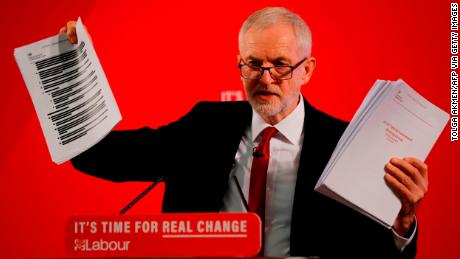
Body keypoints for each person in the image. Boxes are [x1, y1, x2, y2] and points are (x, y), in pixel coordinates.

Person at [63, 7, 428, 258]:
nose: (265, 78)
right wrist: (69, 73)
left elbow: (378, 252)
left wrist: (404, 220)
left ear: (308, 70)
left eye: (281, 65)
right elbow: (104, 156)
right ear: (239, 64)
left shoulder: (343, 144)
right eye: (254, 64)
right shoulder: (204, 126)